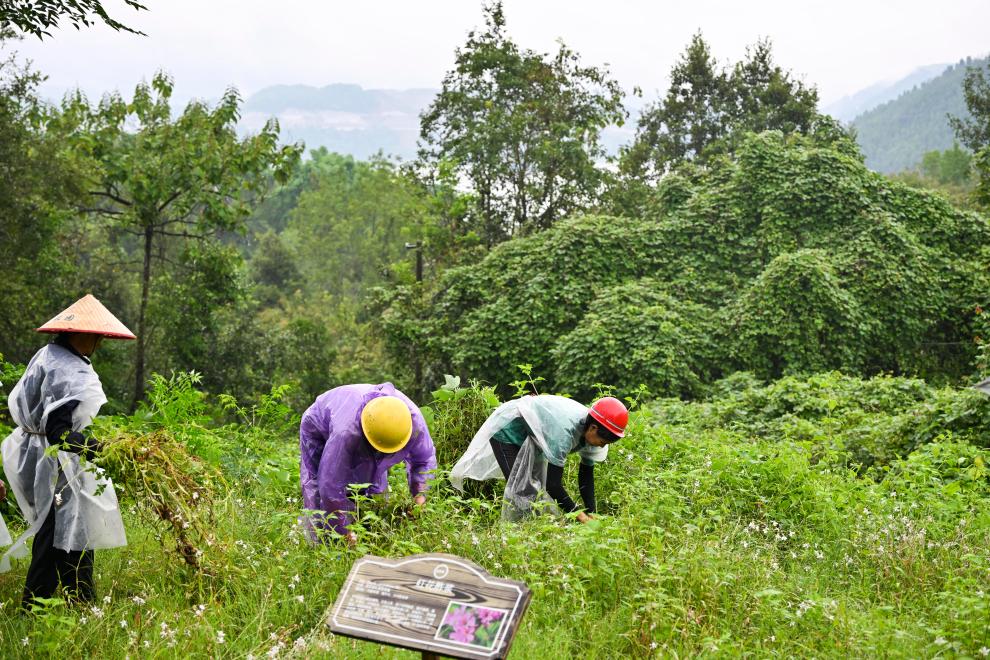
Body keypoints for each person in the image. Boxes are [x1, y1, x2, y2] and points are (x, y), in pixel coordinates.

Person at [1, 294, 133, 605]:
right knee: (55, 534)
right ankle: (40, 606)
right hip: (51, 463)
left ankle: (78, 602)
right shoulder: (66, 369)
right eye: (96, 336)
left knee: (71, 529)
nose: (99, 342)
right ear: (80, 334)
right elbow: (58, 433)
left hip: (37, 457)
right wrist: (99, 448)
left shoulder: (50, 354)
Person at [450, 395, 628, 521]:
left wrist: (592, 513)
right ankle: (518, 538)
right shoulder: (564, 432)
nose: (601, 446)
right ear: (593, 428)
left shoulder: (593, 432)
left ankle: (533, 531)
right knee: (522, 490)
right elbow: (553, 485)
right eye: (602, 442)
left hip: (534, 437)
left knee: (535, 491)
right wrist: (579, 515)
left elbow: (586, 477)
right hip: (509, 429)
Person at [299, 383, 437, 545]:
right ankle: (322, 542)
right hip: (318, 425)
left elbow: (424, 461)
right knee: (318, 489)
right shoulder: (346, 433)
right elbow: (330, 485)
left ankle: (370, 529)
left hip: (362, 426)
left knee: (374, 486)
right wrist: (344, 532)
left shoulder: (413, 422)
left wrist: (420, 497)